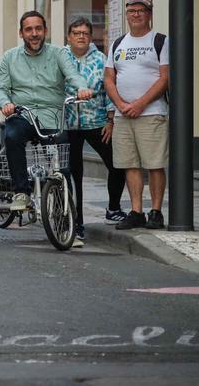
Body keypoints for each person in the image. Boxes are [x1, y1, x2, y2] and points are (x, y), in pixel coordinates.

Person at [0, 11, 91, 216]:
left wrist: (82, 88)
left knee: (62, 169)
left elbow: (73, 75)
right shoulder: (9, 57)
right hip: (22, 114)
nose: (34, 33)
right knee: (12, 136)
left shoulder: (58, 54)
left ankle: (68, 224)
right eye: (29, 29)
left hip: (52, 116)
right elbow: (1, 89)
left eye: (38, 29)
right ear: (21, 33)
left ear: (45, 31)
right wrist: (6, 103)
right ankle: (22, 192)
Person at [104, 0, 170, 231]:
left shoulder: (160, 41)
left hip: (151, 113)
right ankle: (136, 211)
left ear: (149, 14)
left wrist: (140, 103)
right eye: (131, 11)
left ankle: (156, 211)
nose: (136, 14)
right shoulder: (118, 43)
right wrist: (121, 104)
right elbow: (109, 78)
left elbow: (164, 77)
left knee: (154, 164)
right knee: (129, 164)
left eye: (141, 10)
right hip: (123, 115)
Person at [63, 18, 127, 241]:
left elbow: (110, 89)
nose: (81, 36)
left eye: (85, 33)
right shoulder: (60, 58)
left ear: (91, 37)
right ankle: (76, 223)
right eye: (76, 32)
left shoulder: (101, 59)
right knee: (74, 174)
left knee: (117, 163)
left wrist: (111, 120)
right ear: (69, 36)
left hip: (97, 123)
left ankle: (113, 209)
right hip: (68, 124)